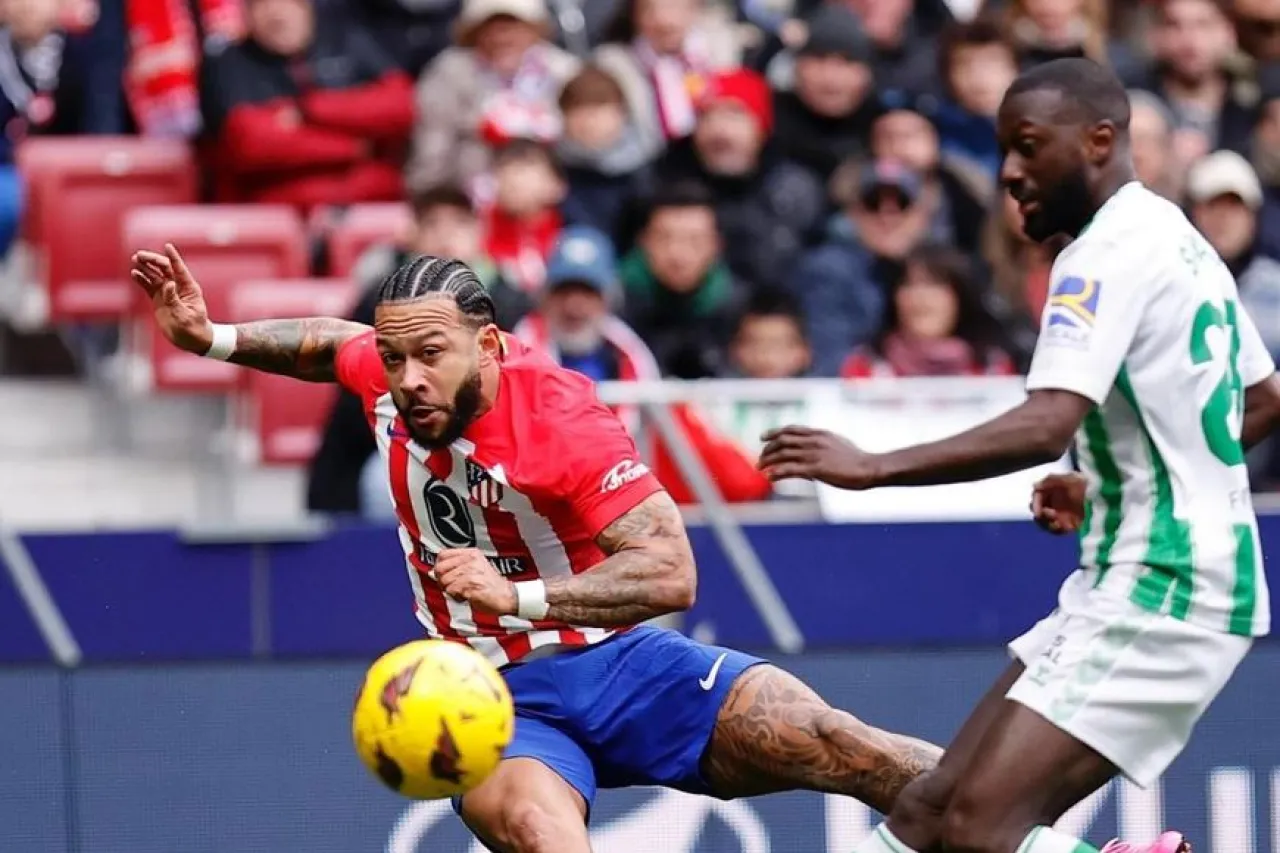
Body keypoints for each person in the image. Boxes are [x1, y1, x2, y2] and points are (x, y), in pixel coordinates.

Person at [129, 244, 941, 853]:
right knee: (539, 831)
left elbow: (672, 571)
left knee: (838, 740)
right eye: (394, 358)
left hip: (622, 662)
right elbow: (325, 342)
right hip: (489, 694)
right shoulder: (392, 373)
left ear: (487, 346)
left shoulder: (561, 420)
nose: (407, 379)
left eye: (430, 356)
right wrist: (213, 337)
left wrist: (518, 596)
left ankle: (1007, 820)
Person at [761, 57, 1280, 853]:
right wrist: (1109, 482)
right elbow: (1261, 399)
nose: (1009, 171)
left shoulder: (1101, 257)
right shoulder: (1174, 235)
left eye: (1030, 146)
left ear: (1099, 141)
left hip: (1167, 584)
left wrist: (873, 466)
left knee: (979, 832)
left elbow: (1045, 423)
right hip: (1145, 574)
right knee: (931, 812)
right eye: (1005, 148)